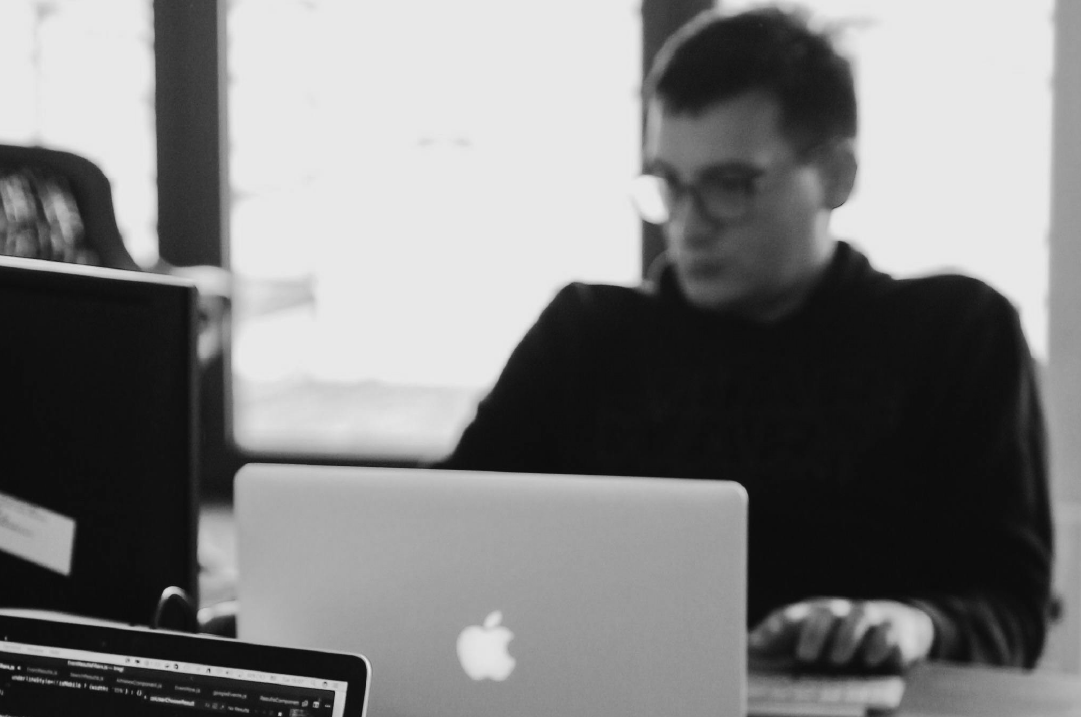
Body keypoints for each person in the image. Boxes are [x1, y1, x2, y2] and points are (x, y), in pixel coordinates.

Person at [435, 5, 1053, 672]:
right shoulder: (584, 334)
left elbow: (1011, 610)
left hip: (856, 702)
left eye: (729, 185)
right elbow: (437, 535)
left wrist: (911, 626)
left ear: (836, 176)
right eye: (670, 185)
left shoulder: (955, 334)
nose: (688, 223)